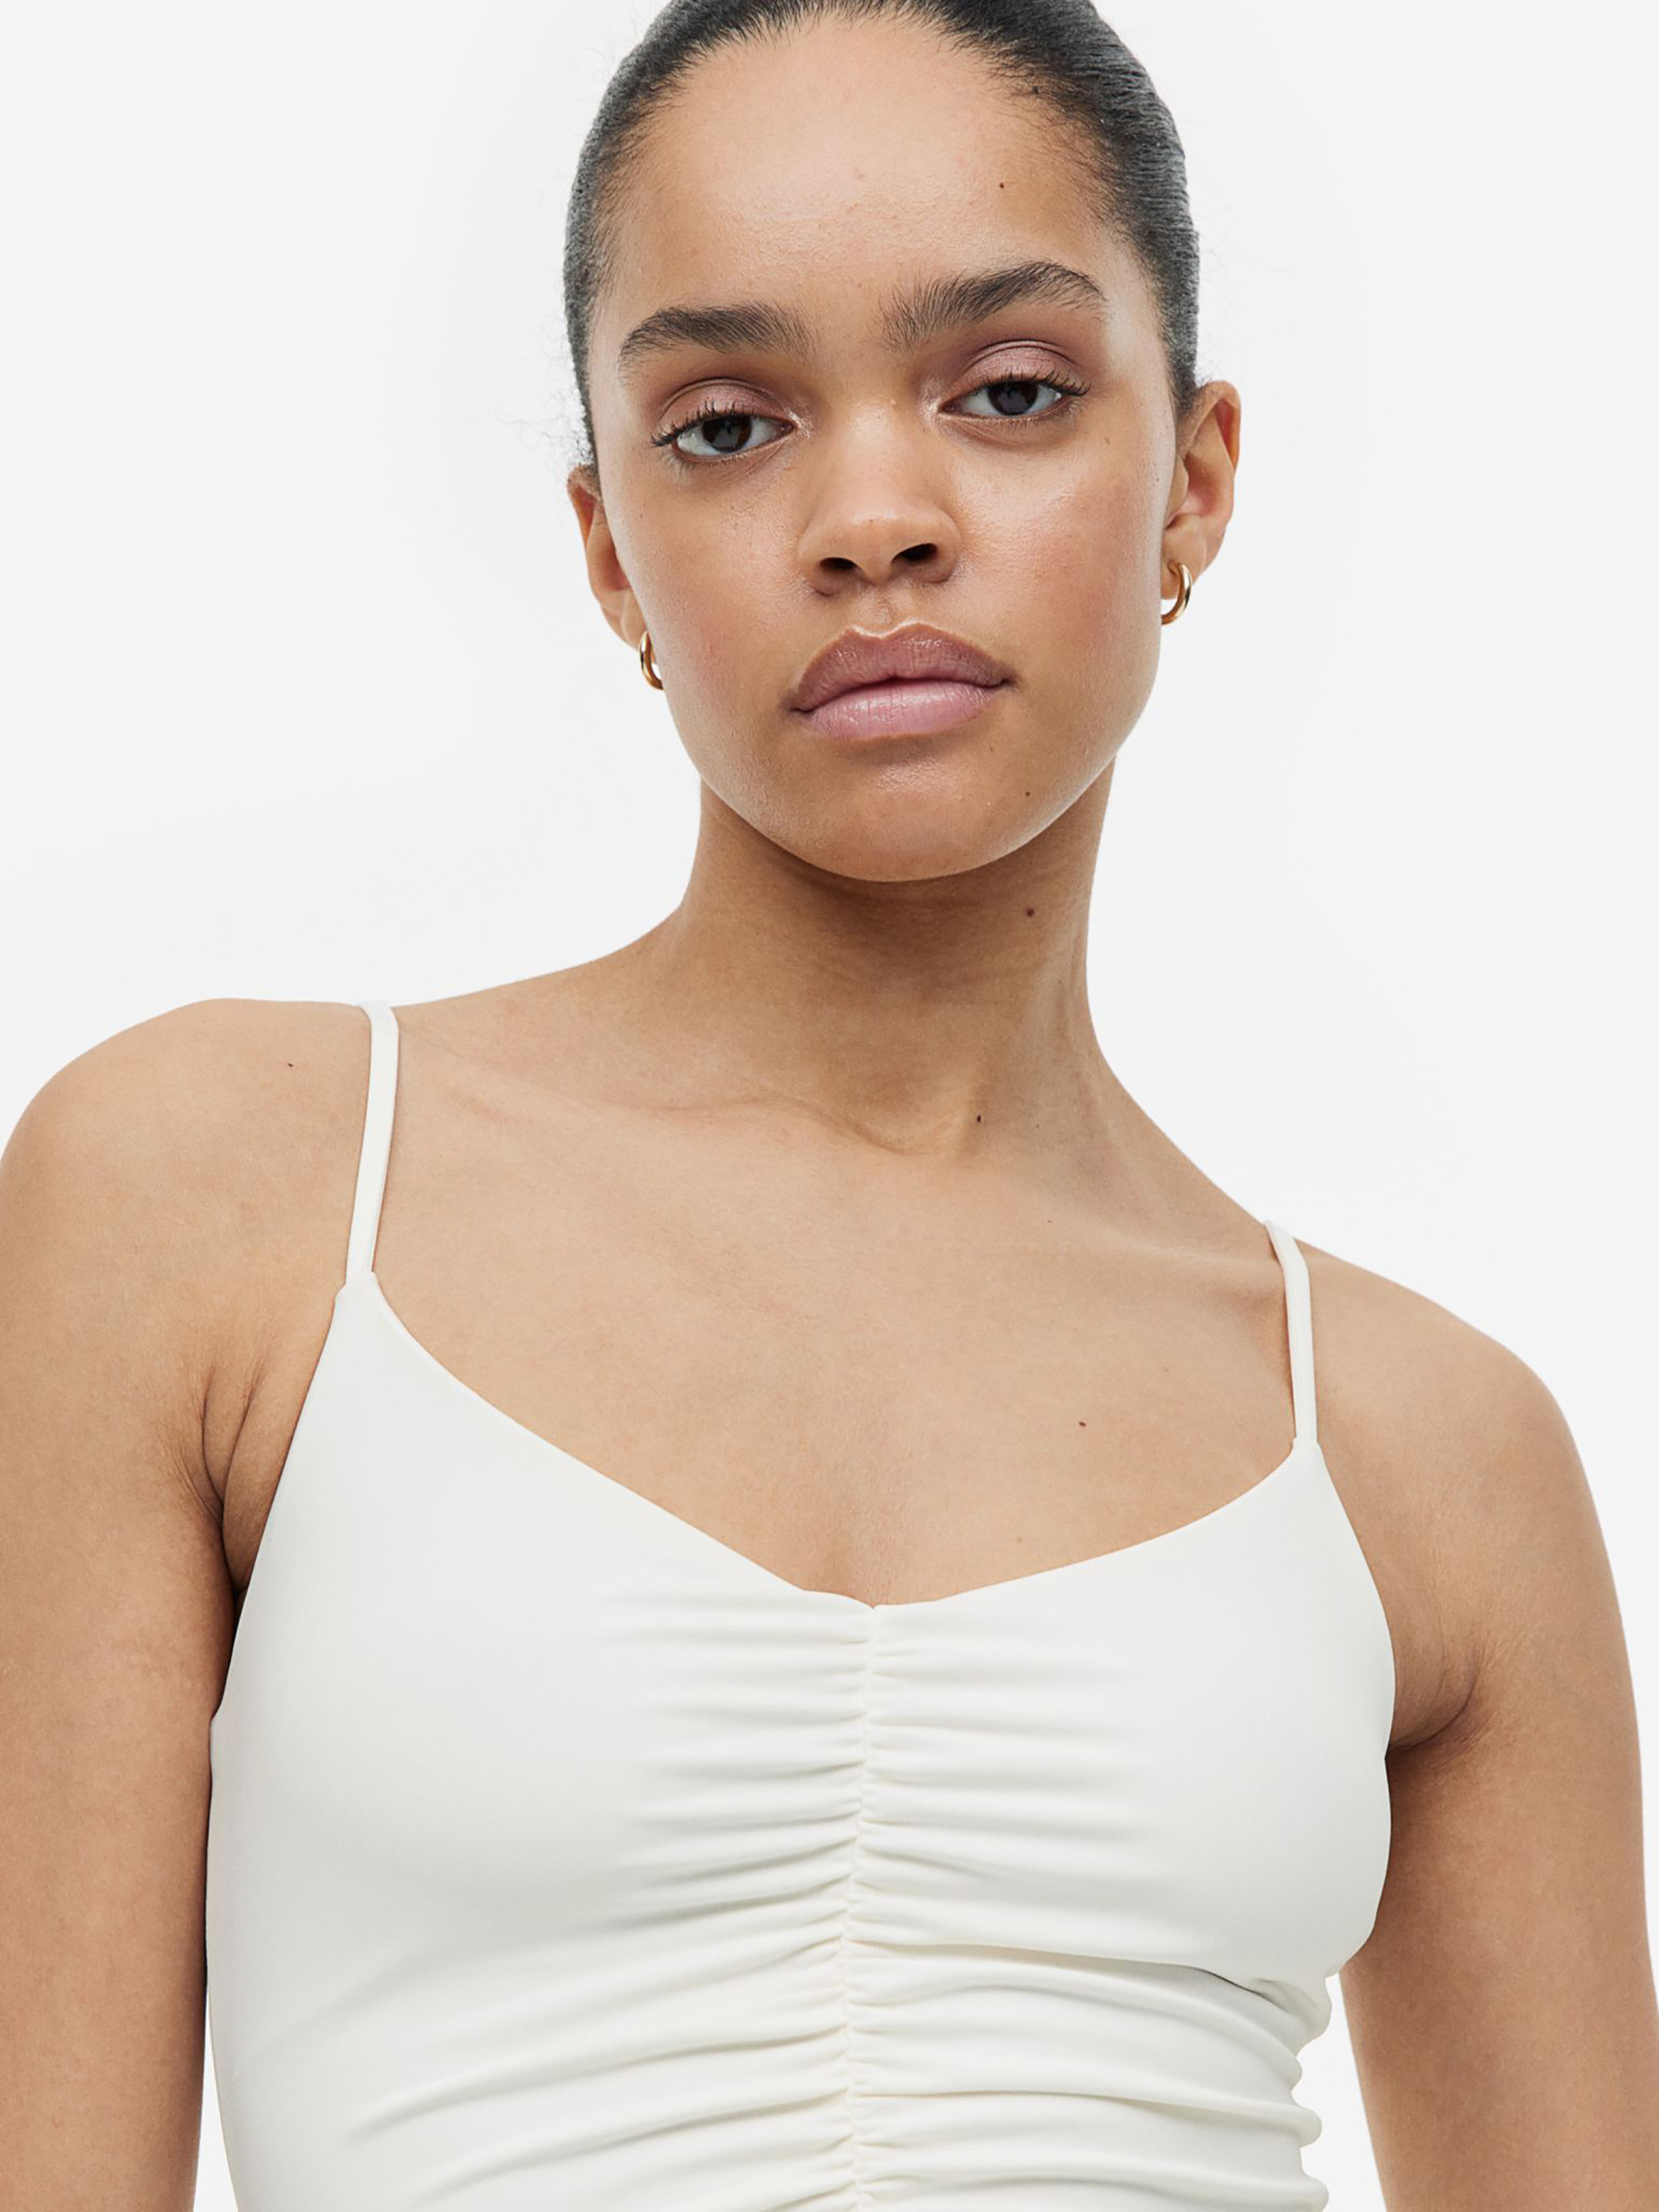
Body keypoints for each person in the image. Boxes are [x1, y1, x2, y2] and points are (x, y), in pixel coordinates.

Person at [4, 2, 1656, 2206]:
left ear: (1193, 480)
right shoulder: (220, 1198)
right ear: (609, 548)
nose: (874, 519)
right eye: (725, 426)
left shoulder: (1433, 1455)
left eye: (1008, 392)